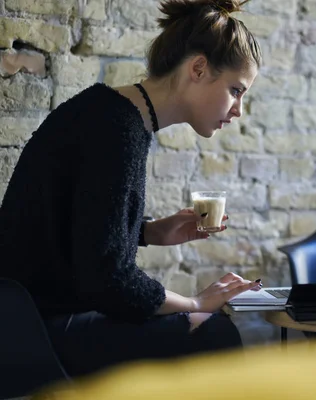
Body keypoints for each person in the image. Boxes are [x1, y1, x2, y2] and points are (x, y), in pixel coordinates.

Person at [0, 0, 262, 378]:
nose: (238, 109)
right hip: (34, 329)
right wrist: (195, 301)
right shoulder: (116, 130)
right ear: (199, 69)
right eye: (236, 90)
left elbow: (77, 232)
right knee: (213, 334)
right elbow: (109, 282)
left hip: (36, 315)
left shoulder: (114, 115)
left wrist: (150, 231)